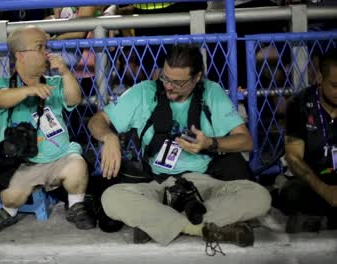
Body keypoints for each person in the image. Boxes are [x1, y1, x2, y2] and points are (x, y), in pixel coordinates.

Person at [88, 44, 271, 250]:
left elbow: (245, 141)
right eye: (165, 78)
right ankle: (202, 227)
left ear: (197, 77)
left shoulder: (211, 92)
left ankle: (159, 223)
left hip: (206, 184)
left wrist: (210, 143)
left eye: (178, 82)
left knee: (260, 196)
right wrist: (109, 137)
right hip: (160, 187)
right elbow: (96, 121)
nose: (169, 86)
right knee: (111, 198)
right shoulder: (143, 92)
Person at [0, 26, 95, 234]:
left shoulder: (54, 82)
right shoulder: (2, 84)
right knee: (10, 198)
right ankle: (9, 212)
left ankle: (76, 205)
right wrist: (28, 90)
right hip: (23, 164)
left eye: (47, 47)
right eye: (40, 47)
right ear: (20, 56)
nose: (47, 53)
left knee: (77, 165)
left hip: (59, 157)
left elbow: (74, 99)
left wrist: (66, 73)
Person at [278, 49, 337, 233]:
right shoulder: (300, 104)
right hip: (315, 178)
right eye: (335, 86)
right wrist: (325, 191)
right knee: (291, 194)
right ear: (320, 78)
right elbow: (294, 158)